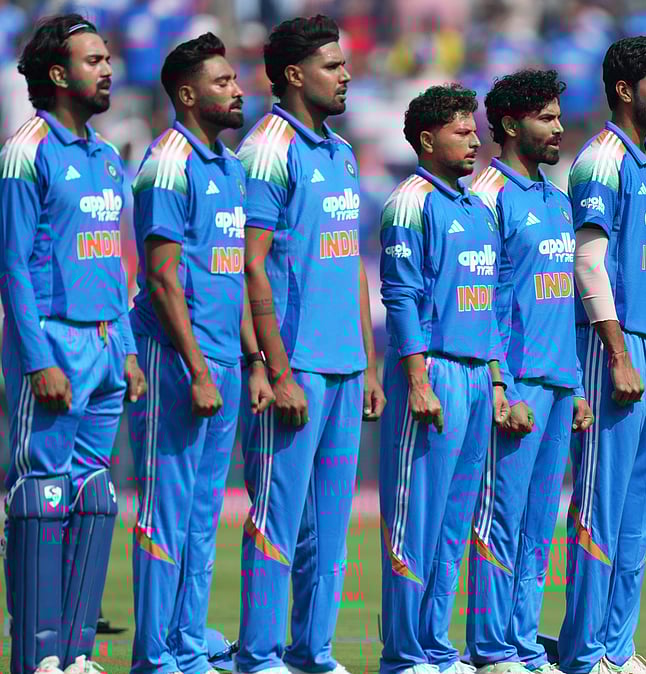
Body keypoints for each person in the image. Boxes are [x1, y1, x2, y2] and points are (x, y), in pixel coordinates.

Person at [235, 14, 385, 674]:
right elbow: (249, 265)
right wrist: (273, 368)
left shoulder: (341, 152)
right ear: (295, 75)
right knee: (277, 519)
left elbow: (351, 262)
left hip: (346, 366)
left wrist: (369, 363)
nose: (346, 74)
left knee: (329, 532)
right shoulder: (268, 149)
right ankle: (260, 656)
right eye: (333, 65)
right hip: (295, 365)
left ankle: (312, 653)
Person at [0, 14, 146, 674]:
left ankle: (77, 654)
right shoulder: (24, 152)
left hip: (107, 347)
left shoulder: (108, 158)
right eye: (93, 61)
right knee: (41, 497)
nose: (108, 69)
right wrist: (38, 361)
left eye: (107, 58)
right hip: (53, 346)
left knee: (93, 497)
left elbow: (112, 262)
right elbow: (11, 265)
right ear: (58, 75)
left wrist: (129, 350)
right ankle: (38, 657)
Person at [127, 32, 274, 674]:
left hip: (223, 364)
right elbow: (162, 279)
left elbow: (232, 274)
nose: (238, 90)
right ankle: (154, 657)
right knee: (165, 513)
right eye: (223, 82)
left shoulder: (231, 167)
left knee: (202, 517)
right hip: (174, 361)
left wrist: (254, 361)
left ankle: (187, 649)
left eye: (235, 80)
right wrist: (195, 369)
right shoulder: (167, 163)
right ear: (187, 95)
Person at [376, 82, 511, 674]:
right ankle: (404, 654)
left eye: (475, 131)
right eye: (462, 132)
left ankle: (435, 647)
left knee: (455, 525)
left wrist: (498, 381)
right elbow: (401, 295)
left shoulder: (477, 206)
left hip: (477, 375)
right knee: (416, 520)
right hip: (433, 371)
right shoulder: (411, 201)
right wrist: (417, 379)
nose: (475, 141)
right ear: (428, 140)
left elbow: (493, 304)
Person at [465, 69, 595, 674]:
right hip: (516, 384)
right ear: (511, 125)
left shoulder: (556, 198)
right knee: (500, 521)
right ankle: (492, 649)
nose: (559, 128)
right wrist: (500, 383)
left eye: (559, 116)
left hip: (559, 383)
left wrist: (576, 383)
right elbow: (483, 301)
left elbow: (561, 300)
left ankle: (521, 644)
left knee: (539, 527)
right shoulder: (485, 195)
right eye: (547, 118)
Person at [559, 35, 646, 674]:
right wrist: (617, 354)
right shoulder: (600, 161)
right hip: (619, 348)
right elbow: (588, 262)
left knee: (637, 514)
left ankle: (616, 647)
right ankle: (584, 653)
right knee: (600, 506)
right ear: (624, 91)